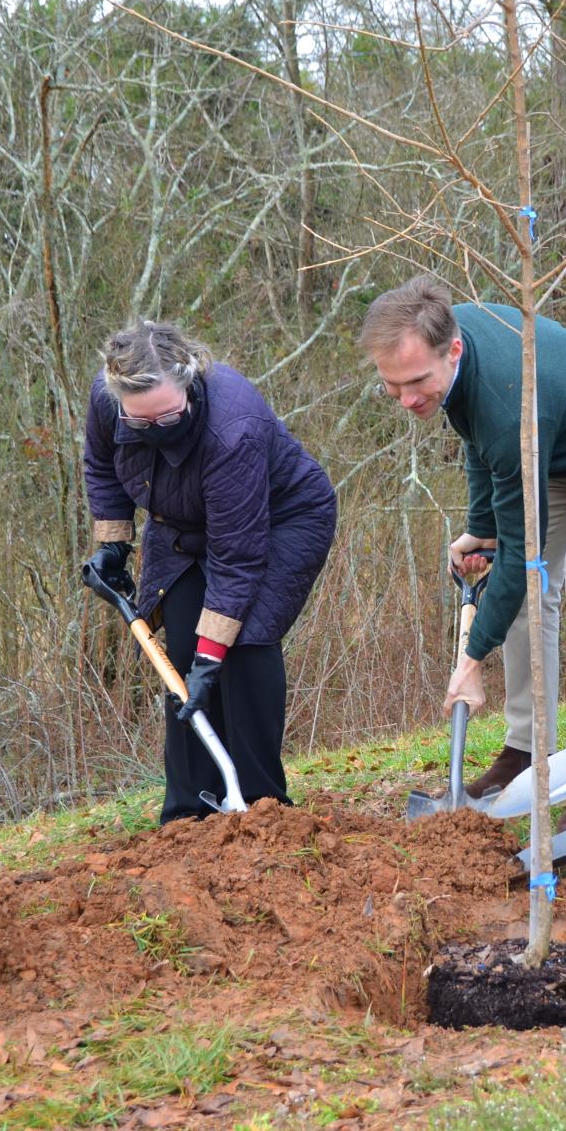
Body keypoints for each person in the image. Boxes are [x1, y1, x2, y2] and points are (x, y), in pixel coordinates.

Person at [361, 276, 566, 826]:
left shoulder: (503, 397)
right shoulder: (447, 340)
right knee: (526, 597)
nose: (406, 399)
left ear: (453, 350)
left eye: (417, 382)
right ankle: (526, 749)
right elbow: (475, 438)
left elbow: (519, 545)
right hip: (552, 457)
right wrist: (482, 528)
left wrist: (471, 662)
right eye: (392, 385)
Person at [83, 321, 336, 825]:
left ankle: (263, 806)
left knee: (242, 645)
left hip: (281, 518)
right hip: (181, 524)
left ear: (190, 382)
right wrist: (112, 546)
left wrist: (211, 657)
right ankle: (188, 812)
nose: (156, 430)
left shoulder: (231, 427)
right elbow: (102, 465)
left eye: (168, 417)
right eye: (141, 423)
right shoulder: (109, 398)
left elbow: (237, 559)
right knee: (180, 659)